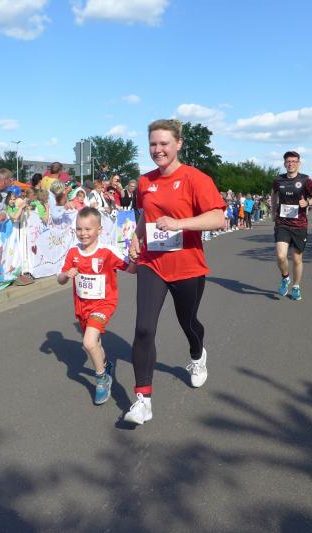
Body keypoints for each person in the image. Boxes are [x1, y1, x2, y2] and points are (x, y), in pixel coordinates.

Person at [124, 119, 226, 426]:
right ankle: (143, 400)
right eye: (153, 144)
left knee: (188, 322)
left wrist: (178, 224)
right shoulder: (145, 181)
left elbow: (218, 218)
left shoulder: (196, 178)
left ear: (178, 144)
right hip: (152, 264)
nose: (158, 150)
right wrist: (136, 238)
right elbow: (146, 216)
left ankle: (197, 355)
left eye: (164, 143)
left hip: (187, 266)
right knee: (144, 328)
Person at [58, 206, 135, 405]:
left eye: (88, 229)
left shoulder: (107, 252)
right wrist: (66, 275)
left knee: (89, 342)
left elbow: (131, 269)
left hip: (103, 304)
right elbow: (60, 279)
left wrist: (136, 258)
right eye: (79, 229)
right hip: (82, 306)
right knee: (96, 344)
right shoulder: (73, 252)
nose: (83, 233)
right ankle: (106, 365)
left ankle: (101, 379)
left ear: (99, 229)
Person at [270, 151, 312, 301]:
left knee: (297, 259)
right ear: (284, 163)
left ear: (299, 163)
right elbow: (273, 194)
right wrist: (273, 211)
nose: (291, 164)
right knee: (281, 256)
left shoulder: (305, 180)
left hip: (299, 224)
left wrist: (308, 202)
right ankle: (285, 277)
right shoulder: (278, 180)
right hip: (282, 223)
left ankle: (296, 286)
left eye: (294, 161)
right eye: (288, 161)